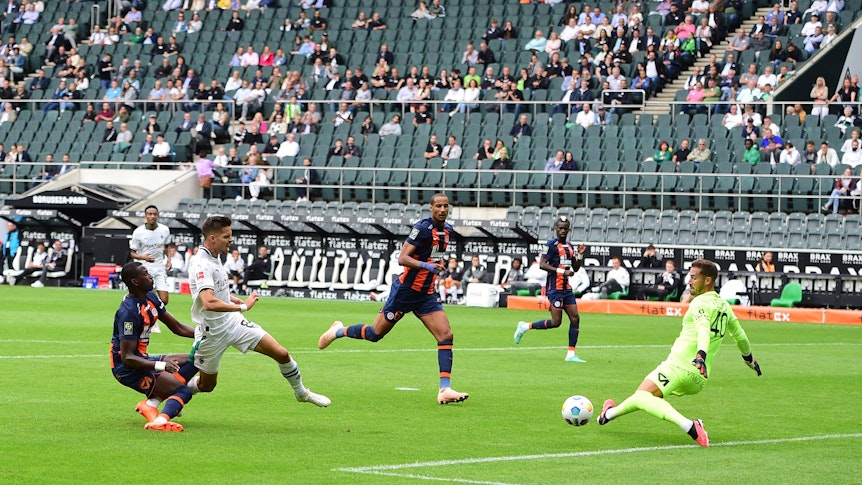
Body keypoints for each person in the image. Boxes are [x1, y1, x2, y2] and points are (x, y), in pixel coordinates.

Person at [318, 193, 469, 405]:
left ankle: (444, 389)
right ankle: (338, 331)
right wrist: (426, 266)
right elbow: (402, 258)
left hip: (426, 294)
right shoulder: (422, 229)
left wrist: (433, 269)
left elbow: (434, 255)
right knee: (375, 334)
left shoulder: (448, 231)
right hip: (405, 292)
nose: (442, 209)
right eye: (438, 206)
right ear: (431, 208)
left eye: (445, 206)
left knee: (446, 335)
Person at [597, 259, 763, 447]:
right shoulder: (724, 305)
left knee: (643, 397)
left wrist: (700, 354)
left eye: (694, 278)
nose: (689, 281)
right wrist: (749, 359)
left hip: (680, 366)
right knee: (643, 395)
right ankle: (607, 415)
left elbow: (703, 329)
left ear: (708, 280)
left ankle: (690, 426)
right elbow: (740, 336)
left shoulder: (700, 303)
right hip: (699, 379)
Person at [186, 216, 330, 406]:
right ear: (212, 238)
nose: (231, 240)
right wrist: (243, 306)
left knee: (281, 353)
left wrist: (234, 301)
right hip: (212, 332)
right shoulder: (202, 264)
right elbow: (209, 303)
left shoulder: (216, 256)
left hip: (233, 322)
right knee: (207, 385)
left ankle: (301, 392)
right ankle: (177, 393)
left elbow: (219, 295)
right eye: (227, 236)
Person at [111, 262, 198, 432]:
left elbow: (177, 327)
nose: (151, 276)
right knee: (184, 392)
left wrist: (203, 335)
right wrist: (161, 366)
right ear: (135, 281)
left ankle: (152, 403)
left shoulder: (151, 297)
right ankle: (159, 422)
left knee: (195, 359)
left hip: (142, 358)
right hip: (126, 369)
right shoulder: (128, 312)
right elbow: (127, 358)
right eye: (146, 274)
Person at [513, 217, 588, 362]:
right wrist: (561, 272)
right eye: (560, 228)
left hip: (566, 288)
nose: (562, 231)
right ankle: (524, 326)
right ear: (555, 228)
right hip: (554, 289)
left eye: (565, 228)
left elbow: (576, 268)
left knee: (575, 318)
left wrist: (580, 254)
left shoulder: (570, 246)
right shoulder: (551, 245)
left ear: (568, 229)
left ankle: (571, 354)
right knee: (556, 322)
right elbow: (542, 264)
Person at [129, 205, 171, 312]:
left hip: (159, 267)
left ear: (157, 216)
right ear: (145, 216)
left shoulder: (164, 230)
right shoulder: (138, 232)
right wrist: (143, 257)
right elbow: (132, 253)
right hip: (145, 268)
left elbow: (167, 246)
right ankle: (150, 318)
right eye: (150, 214)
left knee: (164, 299)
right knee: (148, 296)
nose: (152, 216)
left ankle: (152, 313)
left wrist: (169, 260)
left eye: (154, 214)